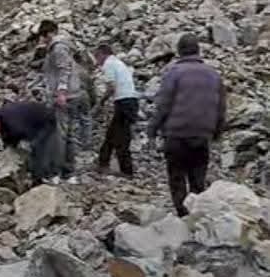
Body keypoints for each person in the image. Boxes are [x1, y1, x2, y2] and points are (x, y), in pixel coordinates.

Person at [148, 33, 226, 216]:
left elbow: (163, 104)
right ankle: (198, 215)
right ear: (198, 50)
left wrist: (152, 128)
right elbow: (221, 107)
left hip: (176, 135)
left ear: (179, 52)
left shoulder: (174, 73)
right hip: (202, 135)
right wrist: (217, 132)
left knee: (177, 176)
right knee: (198, 178)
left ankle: (183, 215)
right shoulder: (214, 75)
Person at [36, 19, 90, 182]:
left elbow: (63, 69)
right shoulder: (66, 46)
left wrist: (61, 92)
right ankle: (69, 172)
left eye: (43, 36)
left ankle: (56, 173)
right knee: (70, 134)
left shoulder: (58, 48)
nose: (42, 40)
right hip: (75, 93)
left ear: (49, 33)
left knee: (60, 135)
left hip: (65, 96)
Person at [0, 100, 59, 187]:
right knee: (23, 147)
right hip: (31, 120)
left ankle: (44, 177)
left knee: (38, 148)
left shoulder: (13, 124)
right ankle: (33, 171)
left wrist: (19, 146)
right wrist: (8, 147)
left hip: (46, 120)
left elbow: (23, 134)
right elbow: (6, 133)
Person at [95, 42, 139, 178]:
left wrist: (100, 102)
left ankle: (127, 171)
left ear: (102, 54)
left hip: (124, 102)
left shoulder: (108, 64)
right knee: (112, 134)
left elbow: (111, 87)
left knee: (121, 138)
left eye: (97, 57)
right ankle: (103, 163)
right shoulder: (118, 63)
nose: (97, 61)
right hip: (129, 101)